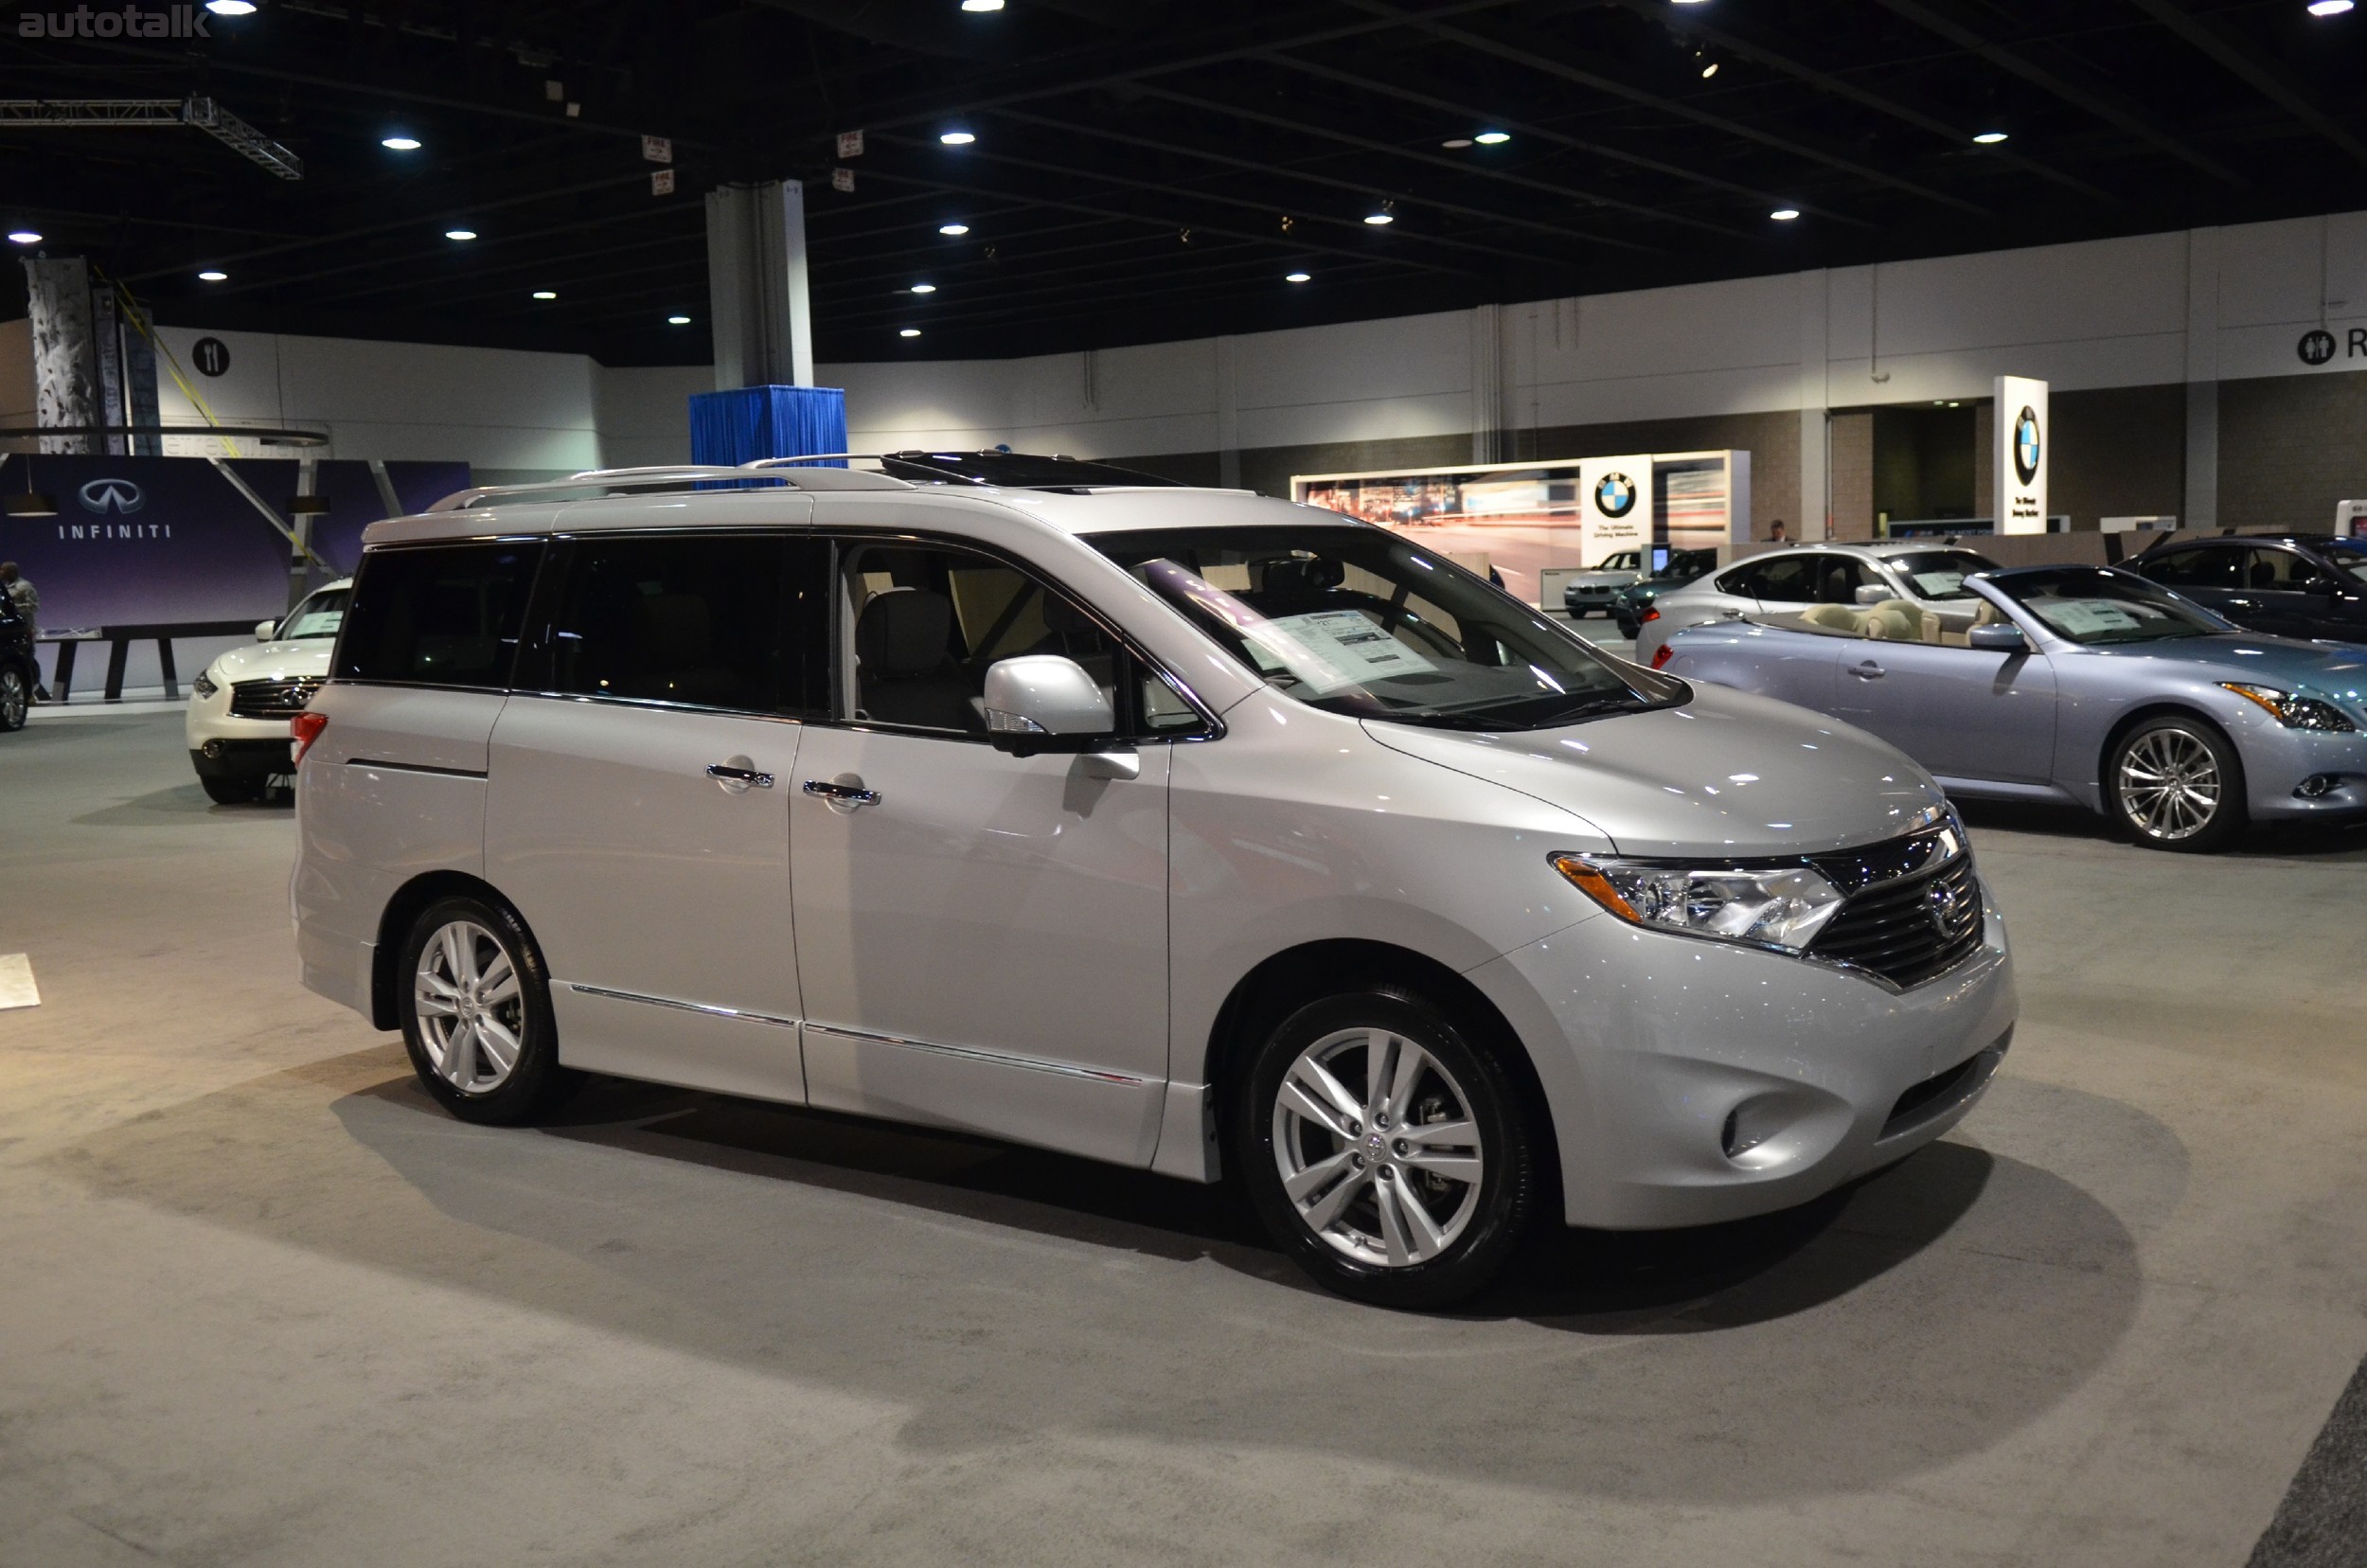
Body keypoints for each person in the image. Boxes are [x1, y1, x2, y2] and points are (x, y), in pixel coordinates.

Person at [0, 562, 43, 701]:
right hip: (11, 629)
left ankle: (30, 694)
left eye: (3, 570)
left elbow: (34, 606)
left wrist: (12, 609)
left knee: (26, 660)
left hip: (23, 629)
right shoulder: (5, 588)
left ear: (11, 572)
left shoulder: (24, 587)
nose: (0, 572)